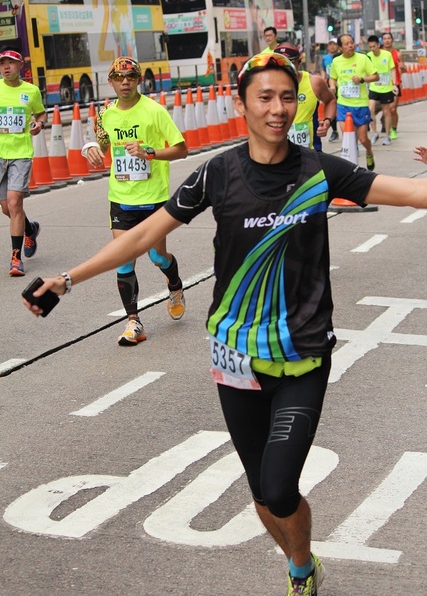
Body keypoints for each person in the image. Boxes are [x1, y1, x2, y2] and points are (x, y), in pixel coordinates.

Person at [24, 51, 427, 595]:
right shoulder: (218, 172)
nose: (278, 108)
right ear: (241, 105)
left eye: (287, 97)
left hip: (302, 354)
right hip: (235, 356)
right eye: (265, 97)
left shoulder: (319, 170)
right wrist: (67, 279)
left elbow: (411, 192)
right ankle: (302, 566)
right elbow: (142, 235)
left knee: (280, 488)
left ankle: (300, 565)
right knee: (260, 492)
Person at [81, 56, 188, 346]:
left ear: (139, 80)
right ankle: (133, 322)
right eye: (119, 78)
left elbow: (181, 149)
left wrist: (150, 153)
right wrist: (91, 149)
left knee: (157, 257)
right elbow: (103, 144)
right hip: (121, 198)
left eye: (130, 77)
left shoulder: (154, 111)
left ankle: (175, 284)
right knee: (124, 259)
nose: (125, 82)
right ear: (111, 82)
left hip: (153, 199)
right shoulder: (105, 114)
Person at [0, 49, 46, 277]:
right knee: (6, 207)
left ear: (21, 66)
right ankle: (30, 228)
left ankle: (16, 258)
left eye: (11, 63)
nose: (6, 67)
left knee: (14, 201)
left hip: (21, 153)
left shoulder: (31, 91)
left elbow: (41, 114)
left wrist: (39, 124)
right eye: (2, 63)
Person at [329, 33, 379, 170]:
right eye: (346, 44)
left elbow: (376, 76)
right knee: (348, 137)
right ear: (340, 48)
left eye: (351, 42)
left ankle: (369, 152)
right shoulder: (336, 61)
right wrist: (332, 86)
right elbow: (332, 77)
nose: (350, 45)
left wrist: (362, 79)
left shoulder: (363, 58)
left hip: (360, 105)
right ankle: (353, 165)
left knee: (363, 139)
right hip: (343, 104)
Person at [274, 43, 337, 151]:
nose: (285, 67)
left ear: (299, 61)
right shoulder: (267, 86)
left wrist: (327, 121)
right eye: (280, 63)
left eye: (290, 62)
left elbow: (330, 100)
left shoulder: (314, 83)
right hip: (278, 153)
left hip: (310, 152)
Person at [366, 35, 397, 146]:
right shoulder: (368, 56)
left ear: (378, 45)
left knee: (386, 112)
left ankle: (387, 135)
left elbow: (393, 70)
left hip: (386, 88)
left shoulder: (387, 55)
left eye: (374, 46)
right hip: (374, 87)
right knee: (370, 110)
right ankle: (375, 133)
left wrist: (394, 84)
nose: (372, 49)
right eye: (370, 47)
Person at [381, 32, 407, 139]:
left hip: (395, 84)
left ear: (392, 40)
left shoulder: (398, 54)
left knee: (392, 109)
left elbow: (404, 70)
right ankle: (384, 121)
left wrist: (403, 67)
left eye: (389, 38)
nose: (387, 40)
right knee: (384, 109)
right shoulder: (379, 53)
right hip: (382, 85)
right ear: (382, 41)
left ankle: (394, 129)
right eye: (384, 39)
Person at [321, 38, 341, 142]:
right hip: (331, 84)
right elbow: (323, 69)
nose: (332, 47)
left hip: (341, 84)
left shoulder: (341, 57)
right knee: (331, 105)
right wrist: (323, 80)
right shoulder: (325, 58)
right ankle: (334, 131)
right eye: (330, 45)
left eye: (334, 44)